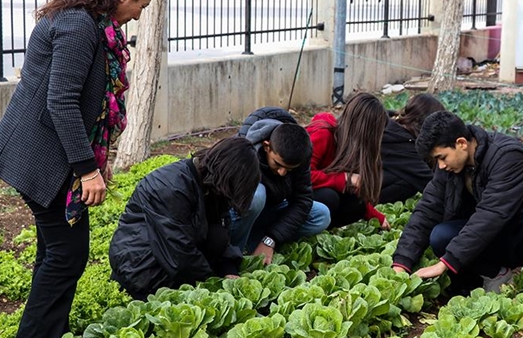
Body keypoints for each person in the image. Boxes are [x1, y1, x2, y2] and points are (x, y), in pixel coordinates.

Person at [0, 0, 157, 338]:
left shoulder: (90, 20)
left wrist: (93, 160)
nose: (138, 16)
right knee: (66, 254)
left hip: (49, 153)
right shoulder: (79, 25)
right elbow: (60, 102)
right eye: (141, 5)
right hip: (40, 156)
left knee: (56, 251)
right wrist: (87, 169)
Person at [391, 112, 523, 337]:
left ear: (461, 143)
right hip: (498, 239)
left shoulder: (507, 156)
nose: (440, 165)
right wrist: (401, 264)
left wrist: (446, 263)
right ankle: (497, 274)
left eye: (442, 157)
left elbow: (491, 214)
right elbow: (426, 210)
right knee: (441, 234)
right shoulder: (450, 170)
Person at [109, 137, 260, 301]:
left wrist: (228, 269)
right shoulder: (170, 187)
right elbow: (179, 253)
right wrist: (212, 285)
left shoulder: (212, 184)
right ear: (227, 176)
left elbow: (222, 231)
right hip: (140, 266)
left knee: (217, 236)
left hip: (174, 257)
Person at [230, 107, 331, 265]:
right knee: (257, 195)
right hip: (237, 214)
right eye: (278, 164)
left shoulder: (300, 153)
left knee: (321, 215)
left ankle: (258, 240)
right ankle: (235, 251)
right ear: (266, 146)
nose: (282, 172)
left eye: (289, 169)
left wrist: (271, 239)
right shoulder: (242, 150)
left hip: (270, 209)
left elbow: (302, 200)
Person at [307, 93, 390, 229]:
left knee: (357, 205)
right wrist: (344, 178)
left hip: (319, 200)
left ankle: (324, 228)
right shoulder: (323, 134)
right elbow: (302, 176)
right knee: (329, 197)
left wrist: (377, 217)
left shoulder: (350, 148)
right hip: (295, 197)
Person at [380, 93, 446, 204]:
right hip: (362, 193)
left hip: (357, 181)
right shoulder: (404, 144)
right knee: (410, 182)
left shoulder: (390, 125)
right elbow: (431, 182)